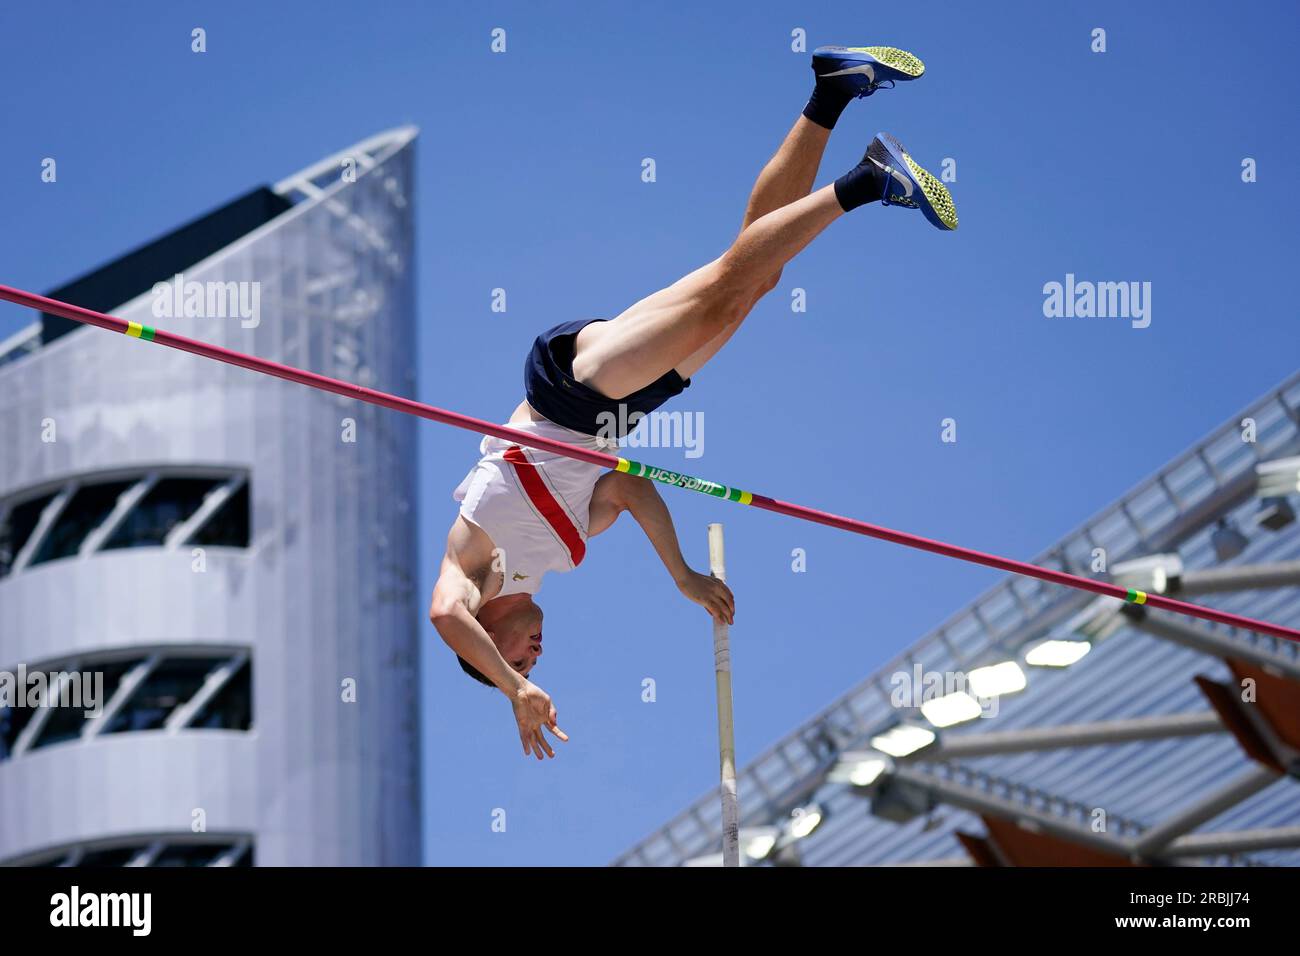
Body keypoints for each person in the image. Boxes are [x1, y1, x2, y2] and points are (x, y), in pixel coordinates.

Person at [429, 45, 957, 759]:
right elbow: (631, 489)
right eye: (531, 667)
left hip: (569, 395)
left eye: (521, 660)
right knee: (750, 282)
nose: (535, 657)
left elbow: (443, 616)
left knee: (721, 294)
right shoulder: (563, 553)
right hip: (617, 415)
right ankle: (833, 92)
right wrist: (680, 574)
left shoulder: (476, 567)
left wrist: (513, 693)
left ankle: (868, 181)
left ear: (492, 640)